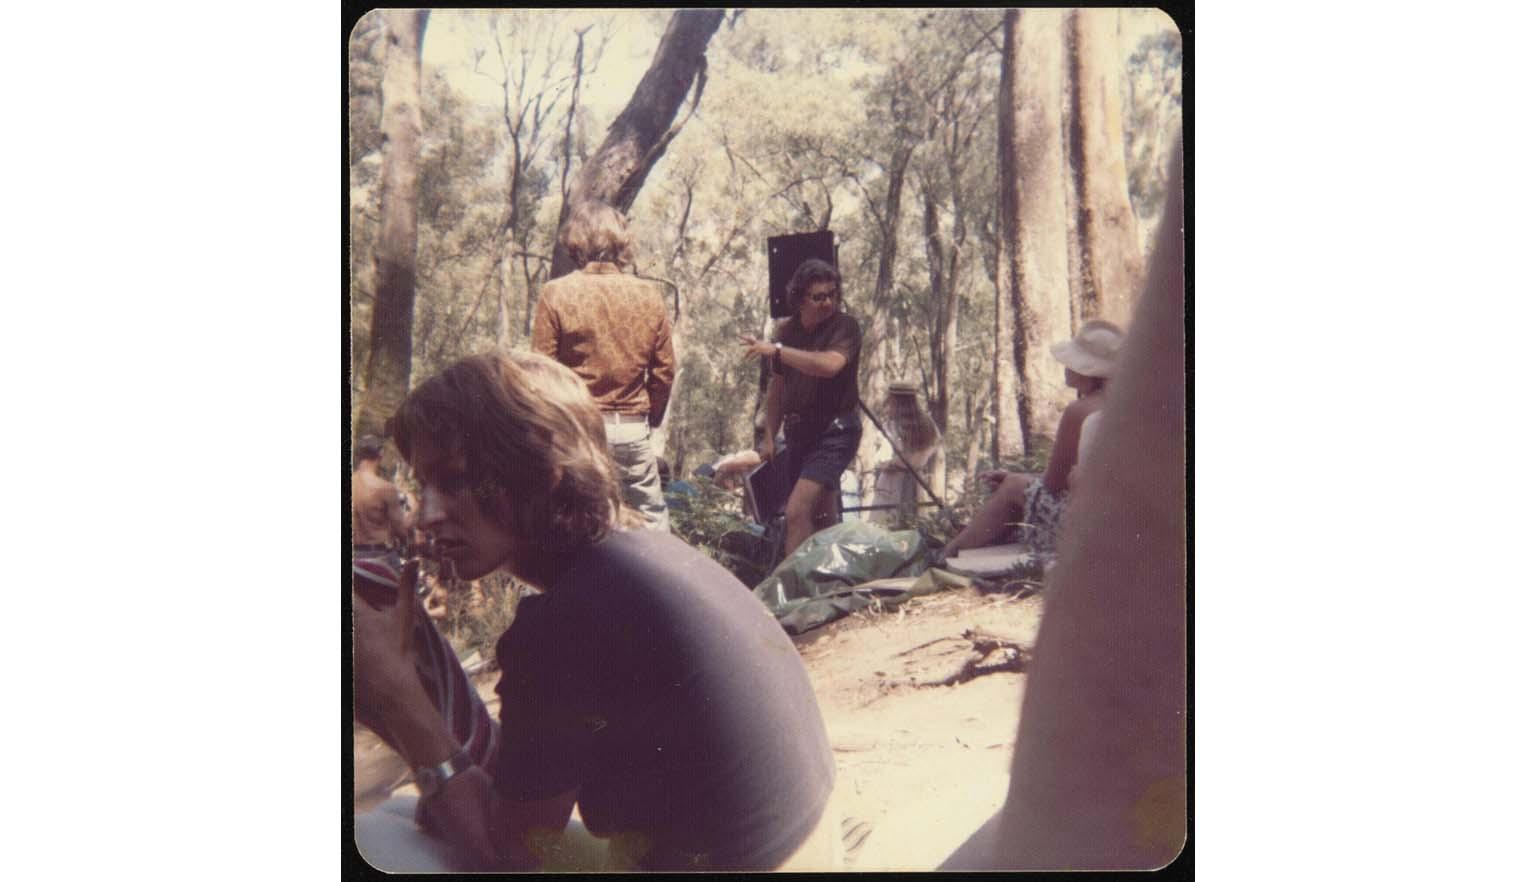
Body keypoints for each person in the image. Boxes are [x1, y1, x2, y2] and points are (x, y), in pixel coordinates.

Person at [352, 350, 840, 872]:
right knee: (408, 818)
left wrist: (396, 691)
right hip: (812, 852)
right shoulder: (643, 555)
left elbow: (508, 854)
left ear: (539, 469)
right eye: (423, 486)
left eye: (454, 481)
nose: (426, 515)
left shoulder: (564, 622)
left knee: (369, 837)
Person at [941, 135, 1185, 870]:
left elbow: (1049, 488)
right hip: (1091, 523)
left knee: (1009, 484)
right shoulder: (1134, 413)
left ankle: (948, 553)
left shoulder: (1084, 416)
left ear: (1086, 375)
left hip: (1066, 528)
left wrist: (1018, 489)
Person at [532, 200, 676, 532]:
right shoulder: (648, 295)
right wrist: (646, 418)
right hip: (629, 429)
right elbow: (664, 371)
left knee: (578, 525)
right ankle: (660, 584)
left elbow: (542, 373)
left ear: (576, 241)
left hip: (578, 430)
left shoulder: (556, 293)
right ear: (620, 241)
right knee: (651, 521)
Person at [938, 319, 1125, 561]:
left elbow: (1053, 485)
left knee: (1014, 487)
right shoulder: (1123, 406)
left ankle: (949, 553)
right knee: (1016, 483)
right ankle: (960, 547)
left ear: (1088, 371)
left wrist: (1018, 480)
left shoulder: (1079, 411)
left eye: (1073, 363)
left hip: (1084, 526)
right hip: (1114, 521)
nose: (1066, 367)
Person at [740, 258, 863, 560]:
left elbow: (829, 365)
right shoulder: (787, 332)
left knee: (797, 511)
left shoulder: (845, 326)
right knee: (823, 516)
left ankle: (794, 590)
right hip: (799, 434)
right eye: (819, 296)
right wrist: (769, 435)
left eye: (833, 294)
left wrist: (779, 352)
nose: (828, 303)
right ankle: (829, 581)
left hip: (835, 432)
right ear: (800, 299)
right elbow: (778, 389)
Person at [870, 380, 941, 525]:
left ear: (895, 400)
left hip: (892, 481)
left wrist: (887, 464)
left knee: (888, 523)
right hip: (916, 479)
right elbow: (933, 447)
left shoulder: (892, 427)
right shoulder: (929, 424)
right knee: (912, 521)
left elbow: (882, 458)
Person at [351, 435, 413, 560]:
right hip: (378, 556)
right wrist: (414, 511)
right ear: (381, 454)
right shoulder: (386, 489)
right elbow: (400, 531)